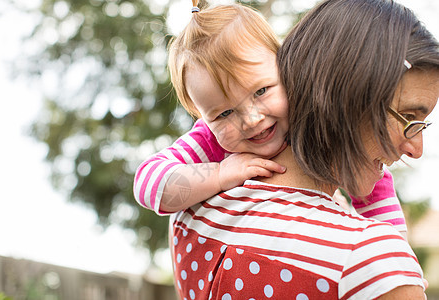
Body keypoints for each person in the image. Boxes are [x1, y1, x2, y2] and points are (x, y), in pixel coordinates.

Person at [170, 0, 439, 299]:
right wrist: (395, 261)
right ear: (349, 90)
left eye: (261, 91)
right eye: (409, 118)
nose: (416, 148)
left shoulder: (190, 212)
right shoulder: (370, 261)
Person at [133, 0, 409, 238]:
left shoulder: (309, 116)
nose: (251, 119)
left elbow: (376, 187)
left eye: (261, 91)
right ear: (201, 115)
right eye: (224, 113)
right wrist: (218, 174)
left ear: (284, 67)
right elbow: (147, 183)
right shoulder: (210, 142)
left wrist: (396, 254)